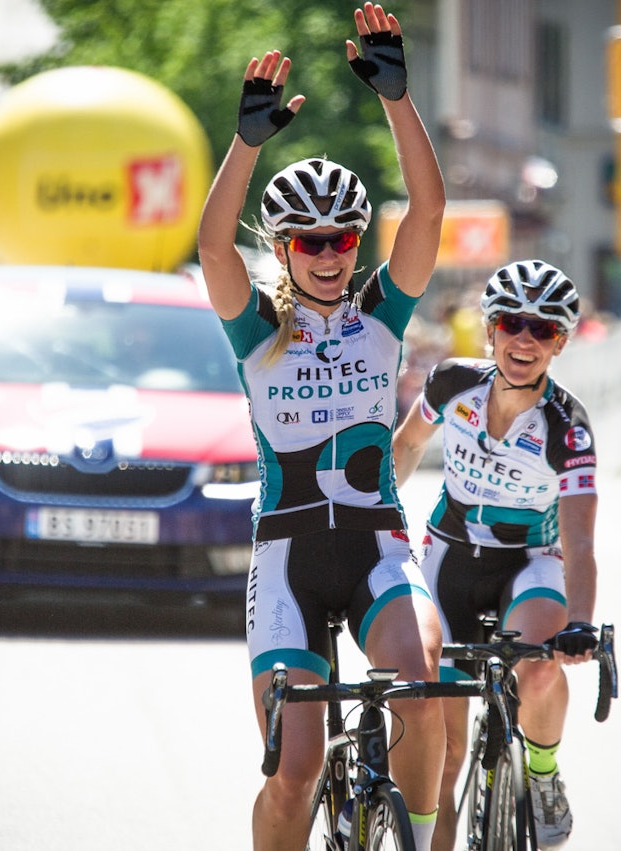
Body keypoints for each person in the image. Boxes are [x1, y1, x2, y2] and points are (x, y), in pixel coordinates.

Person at [195, 5, 447, 851]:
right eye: (310, 241)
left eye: (344, 235)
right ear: (284, 247)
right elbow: (214, 253)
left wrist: (397, 100)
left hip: (377, 545)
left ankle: (414, 839)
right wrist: (246, 144)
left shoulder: (381, 312)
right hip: (289, 560)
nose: (332, 251)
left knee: (420, 686)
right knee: (294, 772)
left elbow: (427, 212)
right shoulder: (257, 332)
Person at [392, 260, 600, 850]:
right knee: (446, 752)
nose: (525, 340)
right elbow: (406, 446)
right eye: (512, 324)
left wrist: (580, 622)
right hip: (449, 554)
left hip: (528, 559)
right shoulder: (452, 383)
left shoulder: (568, 426)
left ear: (561, 342)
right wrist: (372, 521)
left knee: (538, 666)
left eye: (545, 329)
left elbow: (580, 541)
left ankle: (542, 773)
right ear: (490, 330)